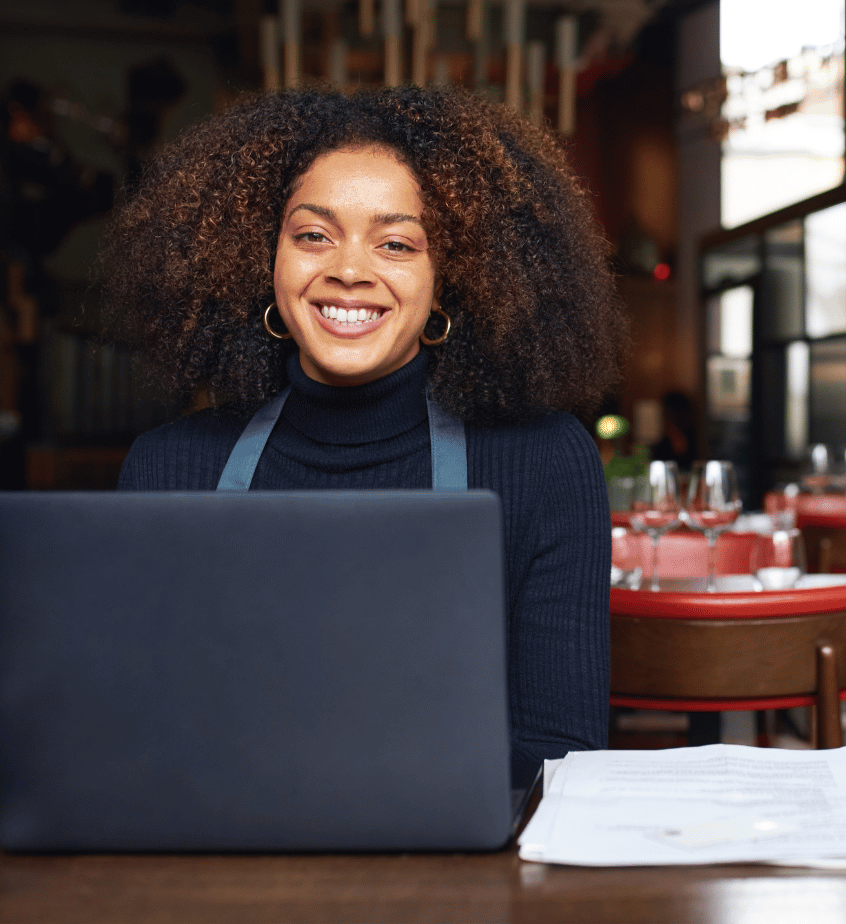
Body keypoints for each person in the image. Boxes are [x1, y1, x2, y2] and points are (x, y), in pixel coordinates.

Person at [104, 87, 627, 788]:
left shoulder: (544, 463)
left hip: (455, 873)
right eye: (313, 235)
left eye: (397, 243)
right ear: (266, 260)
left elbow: (560, 757)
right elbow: (133, 738)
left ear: (452, 278)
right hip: (227, 862)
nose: (349, 270)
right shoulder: (168, 469)